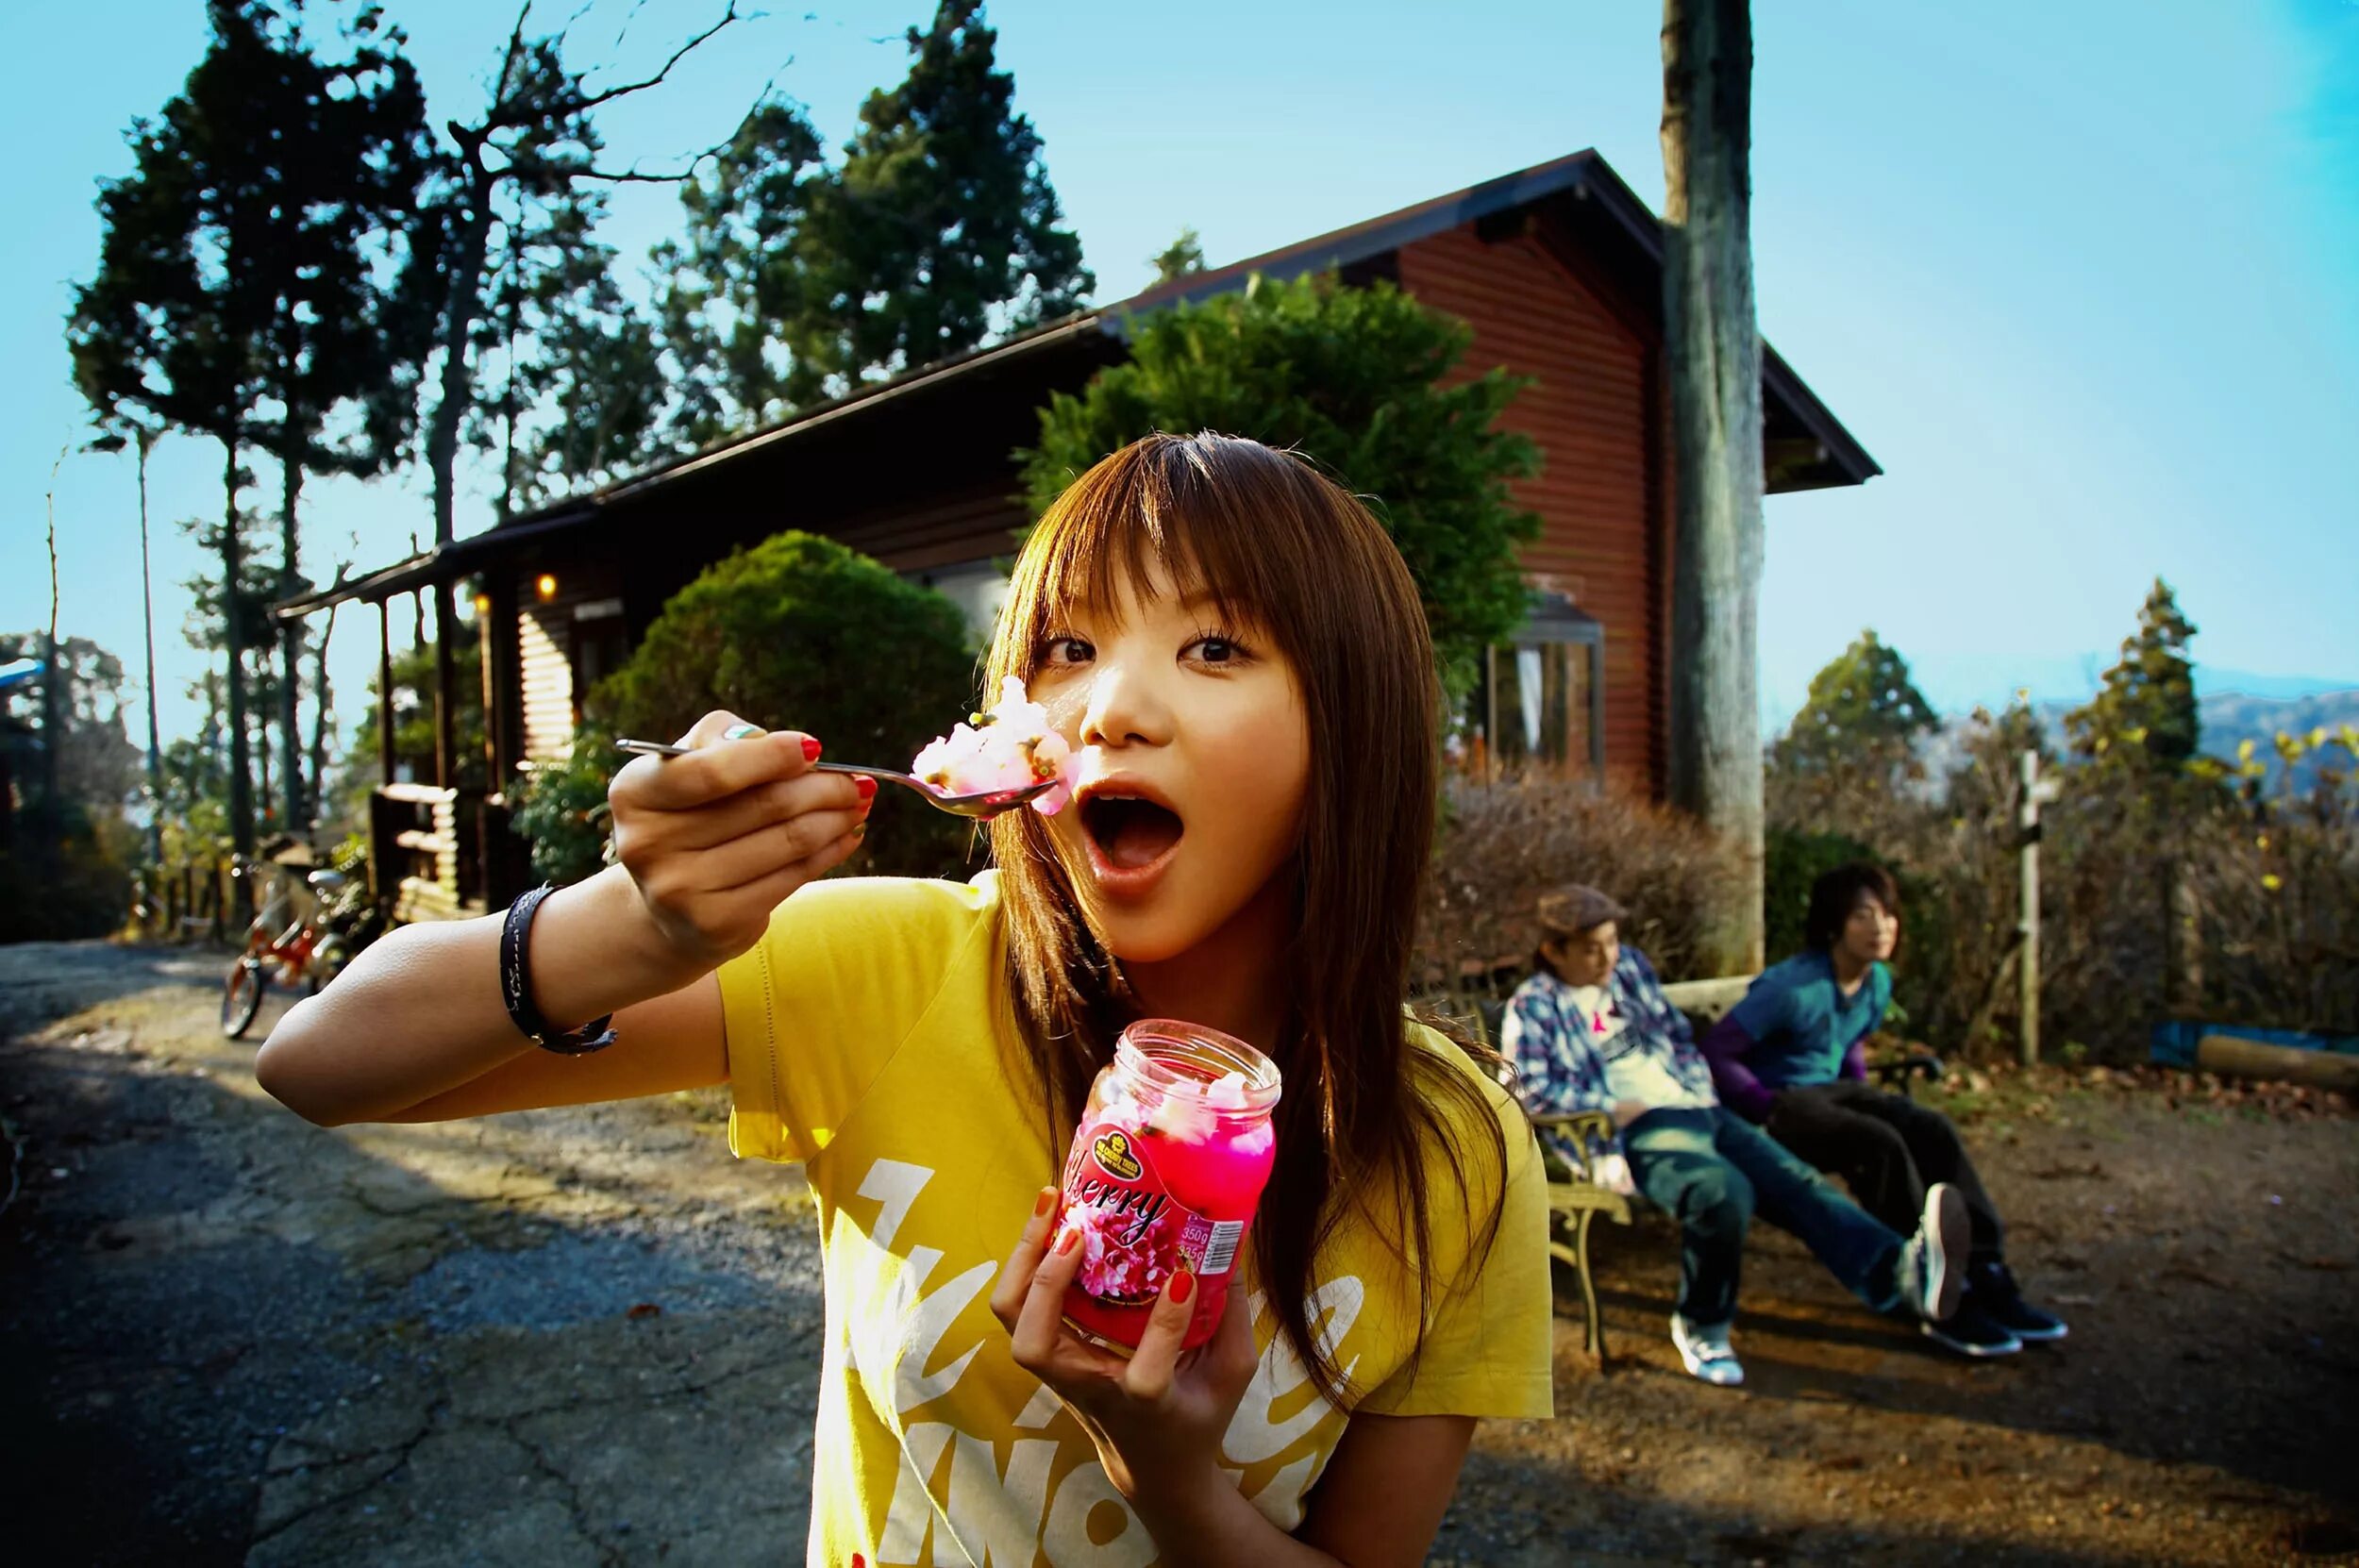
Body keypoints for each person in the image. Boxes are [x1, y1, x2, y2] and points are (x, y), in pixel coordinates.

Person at [257, 434, 1553, 1567]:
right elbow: (319, 1062)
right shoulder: (891, 970)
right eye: (1067, 646)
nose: (1108, 708)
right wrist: (632, 921)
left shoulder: (1460, 1154)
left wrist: (1166, 1472)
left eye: (1216, 645)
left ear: (1356, 724)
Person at [1498, 885, 1966, 1387]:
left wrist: (1696, 1086)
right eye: (1591, 948)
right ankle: (1702, 1324)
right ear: (1553, 951)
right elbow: (1527, 1089)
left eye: (1612, 942)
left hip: (1696, 1105)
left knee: (1794, 1180)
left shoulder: (1628, 969)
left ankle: (1902, 1272)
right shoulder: (1534, 1007)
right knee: (1721, 1192)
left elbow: (1674, 1034)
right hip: (1632, 1130)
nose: (1607, 957)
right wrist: (1614, 1108)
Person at [1699, 861, 2068, 1359]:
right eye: (1863, 917)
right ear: (1834, 925)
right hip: (1779, 1104)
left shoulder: (1875, 983)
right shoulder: (1789, 988)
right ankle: (1931, 1283)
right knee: (1877, 1144)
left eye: (1888, 916)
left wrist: (1864, 1096)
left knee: (1929, 1128)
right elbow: (1718, 1051)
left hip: (1832, 1095)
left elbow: (1850, 1044)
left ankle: (1984, 1267)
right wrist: (1762, 1106)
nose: (1881, 929)